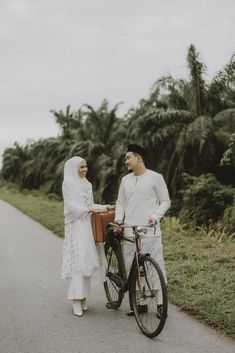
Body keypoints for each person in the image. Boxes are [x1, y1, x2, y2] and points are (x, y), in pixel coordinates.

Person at [114, 144, 171, 316]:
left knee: (155, 266)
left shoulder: (155, 177)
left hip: (149, 230)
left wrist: (155, 216)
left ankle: (161, 304)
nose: (126, 162)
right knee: (133, 267)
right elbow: (121, 203)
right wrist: (118, 220)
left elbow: (166, 201)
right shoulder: (125, 180)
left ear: (138, 158)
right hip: (129, 230)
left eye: (128, 158)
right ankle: (141, 302)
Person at [61, 156, 113, 317]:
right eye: (81, 167)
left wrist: (104, 207)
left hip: (87, 225)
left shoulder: (87, 184)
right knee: (79, 260)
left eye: (86, 166)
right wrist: (89, 210)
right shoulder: (68, 183)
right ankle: (75, 299)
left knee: (87, 262)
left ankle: (83, 297)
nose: (84, 169)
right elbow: (70, 207)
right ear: (74, 168)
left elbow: (90, 205)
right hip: (76, 225)